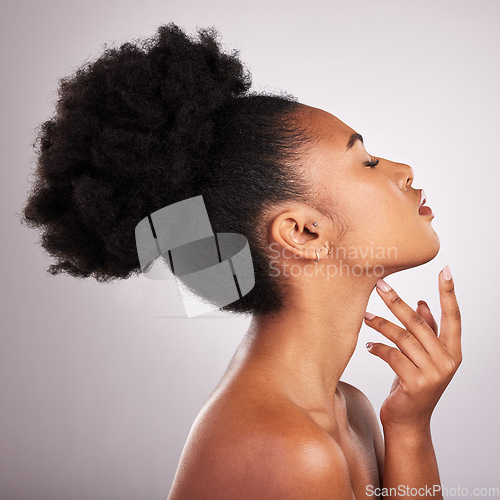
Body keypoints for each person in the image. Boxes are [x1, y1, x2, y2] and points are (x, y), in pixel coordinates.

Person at [22, 22, 462, 499]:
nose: (404, 171)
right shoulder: (289, 449)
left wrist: (409, 428)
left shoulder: (347, 408)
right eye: (368, 162)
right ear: (301, 232)